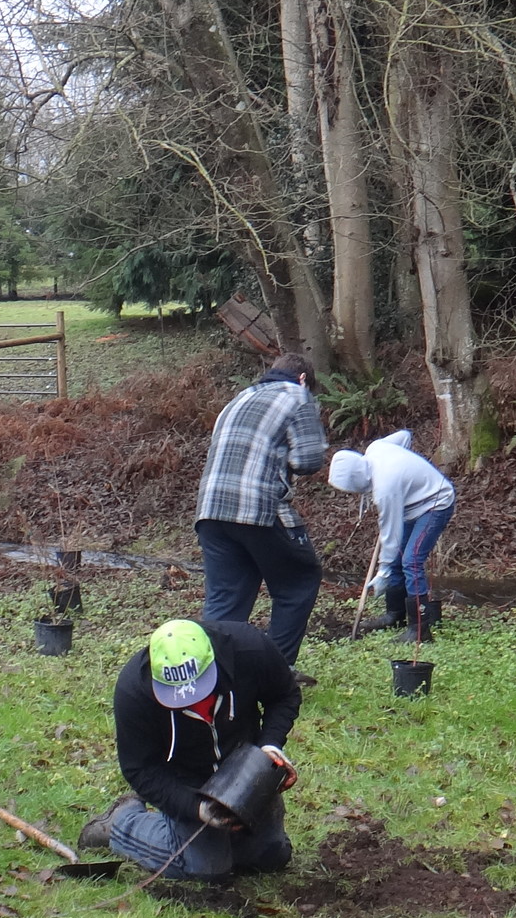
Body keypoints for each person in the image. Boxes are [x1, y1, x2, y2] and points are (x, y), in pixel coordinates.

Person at [85, 618, 300, 881]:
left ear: (213, 660)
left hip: (243, 772)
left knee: (270, 858)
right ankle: (122, 823)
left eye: (199, 689)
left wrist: (270, 745)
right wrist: (193, 806)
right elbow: (139, 768)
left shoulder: (249, 650)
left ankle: (231, 843)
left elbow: (284, 695)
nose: (193, 701)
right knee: (206, 869)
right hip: (186, 781)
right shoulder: (134, 692)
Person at [195, 355, 328, 666]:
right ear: (304, 379)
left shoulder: (240, 398)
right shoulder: (298, 396)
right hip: (256, 508)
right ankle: (276, 673)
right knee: (299, 582)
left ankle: (214, 677)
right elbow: (309, 460)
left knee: (226, 599)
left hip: (210, 509)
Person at [328, 430, 456, 639]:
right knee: (398, 557)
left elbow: (391, 532)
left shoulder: (385, 488)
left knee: (411, 561)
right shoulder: (375, 449)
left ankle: (420, 630)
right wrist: (404, 469)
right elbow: (404, 436)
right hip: (412, 504)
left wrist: (384, 569)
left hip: (436, 502)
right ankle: (395, 615)